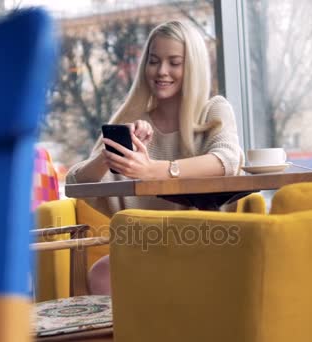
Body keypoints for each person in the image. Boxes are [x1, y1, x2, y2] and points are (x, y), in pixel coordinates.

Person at [66, 20, 243, 294]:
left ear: (192, 67)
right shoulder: (131, 121)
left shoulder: (213, 110)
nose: (162, 71)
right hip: (143, 246)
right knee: (102, 273)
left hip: (204, 244)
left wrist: (153, 170)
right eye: (154, 61)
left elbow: (227, 160)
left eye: (175, 62)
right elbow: (75, 182)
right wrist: (110, 154)